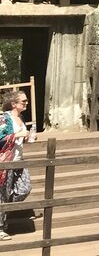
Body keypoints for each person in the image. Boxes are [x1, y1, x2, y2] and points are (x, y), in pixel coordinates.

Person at [0, 91, 30, 241]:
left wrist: (28, 137)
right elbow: (0, 137)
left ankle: (4, 211)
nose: (26, 103)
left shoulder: (21, 118)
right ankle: (0, 227)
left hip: (19, 160)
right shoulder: (4, 118)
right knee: (2, 194)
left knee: (25, 189)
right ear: (14, 104)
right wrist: (17, 135)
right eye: (23, 101)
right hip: (6, 161)